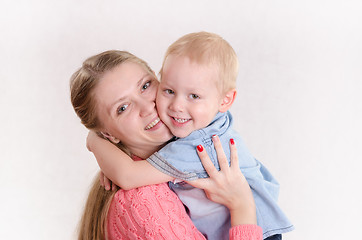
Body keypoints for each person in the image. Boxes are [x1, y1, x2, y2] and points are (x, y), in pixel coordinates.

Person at [88, 32, 294, 240]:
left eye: (145, 86)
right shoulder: (209, 122)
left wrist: (95, 141)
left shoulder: (198, 144)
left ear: (225, 100)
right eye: (169, 90)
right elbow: (128, 175)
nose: (177, 105)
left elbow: (128, 175)